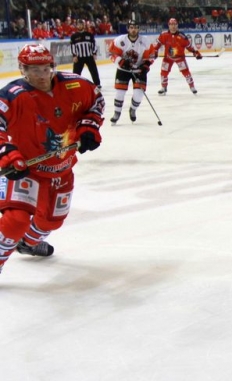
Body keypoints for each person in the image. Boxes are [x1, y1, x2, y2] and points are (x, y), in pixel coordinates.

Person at [0, 44, 103, 274]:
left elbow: (96, 101)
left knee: (52, 221)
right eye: (34, 70)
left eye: (45, 68)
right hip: (24, 169)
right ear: (22, 70)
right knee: (15, 220)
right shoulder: (12, 95)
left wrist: (89, 126)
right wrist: (7, 154)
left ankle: (27, 244)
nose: (41, 76)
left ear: (52, 66)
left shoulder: (76, 85)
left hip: (62, 169)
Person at [108, 20, 156, 125]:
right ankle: (117, 113)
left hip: (139, 70)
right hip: (123, 70)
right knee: (120, 92)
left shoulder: (145, 41)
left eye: (135, 27)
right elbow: (111, 54)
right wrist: (121, 61)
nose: (133, 29)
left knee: (139, 94)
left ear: (138, 29)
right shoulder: (120, 40)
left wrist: (146, 65)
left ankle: (133, 109)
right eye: (131, 27)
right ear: (128, 28)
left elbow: (152, 55)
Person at [152, 18, 203, 95]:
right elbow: (157, 44)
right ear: (168, 25)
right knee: (163, 72)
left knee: (186, 72)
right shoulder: (164, 34)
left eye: (175, 24)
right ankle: (163, 88)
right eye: (171, 24)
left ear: (177, 25)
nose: (173, 26)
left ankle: (192, 86)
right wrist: (155, 51)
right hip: (168, 57)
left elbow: (189, 46)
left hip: (180, 57)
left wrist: (195, 52)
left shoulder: (182, 36)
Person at [70, 19, 101, 89]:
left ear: (83, 25)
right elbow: (73, 46)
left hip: (89, 56)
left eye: (81, 24)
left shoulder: (89, 35)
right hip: (79, 57)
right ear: (76, 26)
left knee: (93, 70)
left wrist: (94, 53)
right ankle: (74, 83)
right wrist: (74, 55)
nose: (80, 26)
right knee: (76, 72)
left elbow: (94, 44)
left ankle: (97, 83)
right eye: (78, 24)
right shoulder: (74, 36)